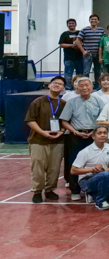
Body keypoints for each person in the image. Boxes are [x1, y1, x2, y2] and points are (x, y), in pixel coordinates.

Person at [60, 77, 107, 200]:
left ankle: (92, 188)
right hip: (76, 136)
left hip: (94, 136)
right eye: (81, 86)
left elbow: (103, 119)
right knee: (74, 162)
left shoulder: (98, 101)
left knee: (94, 161)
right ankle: (75, 190)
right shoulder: (71, 102)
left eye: (87, 85)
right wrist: (75, 132)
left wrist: (94, 131)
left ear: (92, 87)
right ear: (77, 87)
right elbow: (64, 121)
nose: (84, 88)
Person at [26, 75, 66, 203]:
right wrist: (42, 132)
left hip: (57, 141)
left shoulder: (64, 104)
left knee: (54, 168)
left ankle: (49, 190)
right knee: (37, 167)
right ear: (49, 85)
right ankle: (37, 191)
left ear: (63, 88)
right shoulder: (38, 102)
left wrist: (62, 132)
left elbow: (66, 122)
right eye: (54, 83)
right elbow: (30, 120)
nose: (56, 85)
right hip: (38, 140)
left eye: (60, 84)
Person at [70, 126, 109, 210]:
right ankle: (100, 201)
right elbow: (73, 170)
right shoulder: (85, 152)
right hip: (86, 180)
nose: (103, 135)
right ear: (93, 136)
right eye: (99, 133)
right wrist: (92, 169)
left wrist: (103, 171)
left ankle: (93, 194)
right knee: (104, 175)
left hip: (104, 177)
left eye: (105, 133)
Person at [77, 14, 105, 89]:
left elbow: (104, 42)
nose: (93, 21)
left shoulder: (101, 30)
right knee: (86, 72)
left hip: (98, 54)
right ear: (89, 20)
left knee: (98, 71)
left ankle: (98, 86)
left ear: (98, 21)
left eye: (95, 19)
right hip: (88, 54)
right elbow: (78, 41)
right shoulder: (84, 30)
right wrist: (83, 51)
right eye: (92, 19)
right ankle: (86, 86)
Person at [60, 19, 83, 89]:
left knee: (80, 74)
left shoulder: (80, 33)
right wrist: (71, 45)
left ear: (76, 24)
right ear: (67, 25)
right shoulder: (64, 34)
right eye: (69, 23)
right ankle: (68, 88)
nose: (71, 25)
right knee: (68, 74)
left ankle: (79, 87)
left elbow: (83, 41)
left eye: (73, 23)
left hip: (79, 57)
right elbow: (61, 45)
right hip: (68, 57)